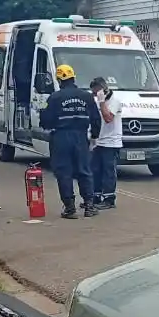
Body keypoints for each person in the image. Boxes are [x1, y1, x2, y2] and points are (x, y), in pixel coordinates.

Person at [39, 63, 101, 218]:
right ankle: (89, 206)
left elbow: (45, 121)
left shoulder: (54, 97)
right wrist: (94, 136)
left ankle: (70, 208)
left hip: (61, 137)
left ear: (59, 80)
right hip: (80, 137)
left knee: (64, 172)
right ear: (74, 77)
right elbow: (96, 119)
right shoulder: (86, 96)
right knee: (84, 171)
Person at [89, 76, 122, 209]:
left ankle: (109, 198)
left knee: (108, 171)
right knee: (95, 170)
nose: (95, 96)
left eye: (96, 92)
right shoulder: (98, 101)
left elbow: (108, 118)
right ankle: (96, 196)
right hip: (99, 141)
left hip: (111, 142)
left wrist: (102, 102)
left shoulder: (115, 101)